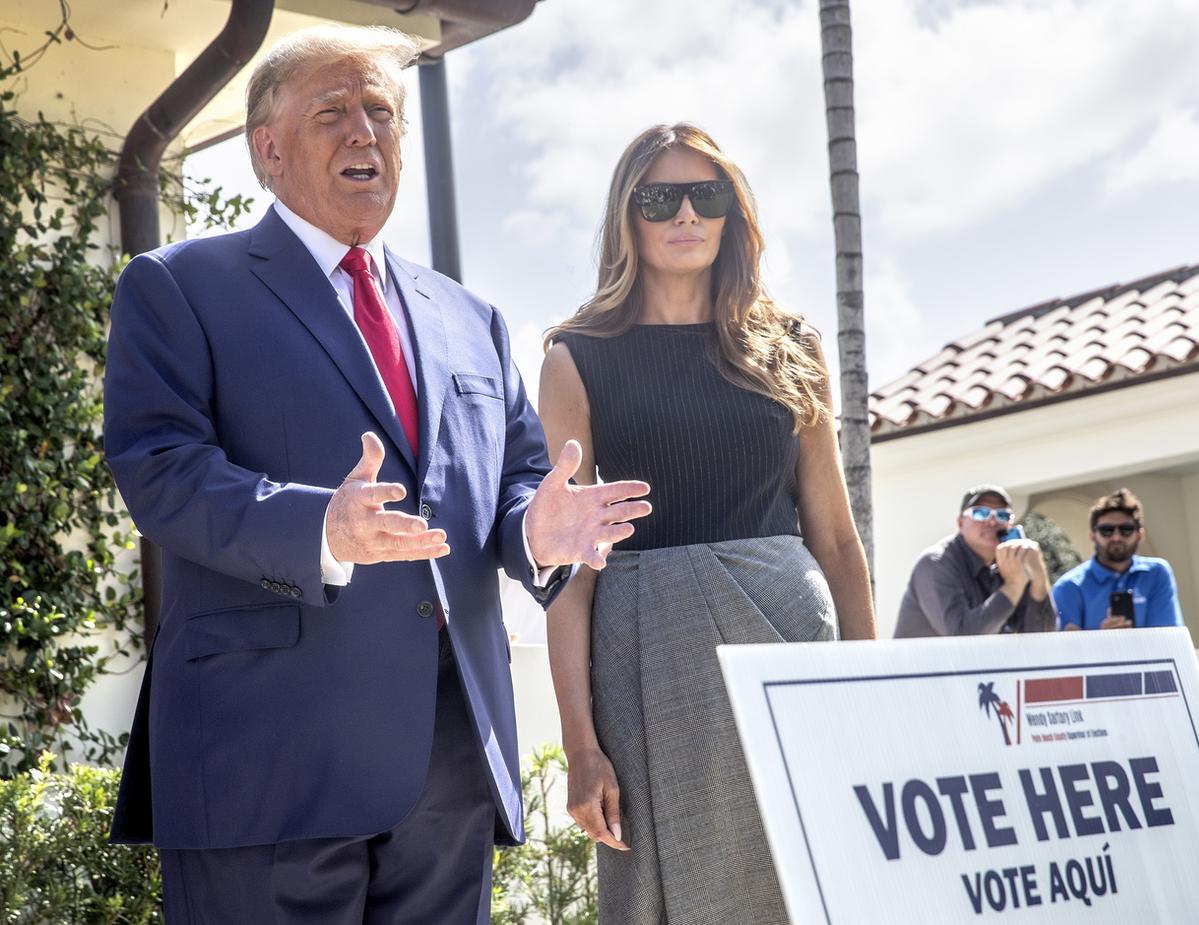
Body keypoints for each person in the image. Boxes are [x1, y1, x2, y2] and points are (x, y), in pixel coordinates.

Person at [103, 25, 650, 923]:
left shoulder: (470, 317)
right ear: (267, 151)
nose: (366, 132)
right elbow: (158, 468)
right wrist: (319, 525)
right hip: (267, 763)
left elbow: (513, 476)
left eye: (382, 113)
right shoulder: (178, 286)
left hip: (448, 764)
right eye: (333, 112)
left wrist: (534, 531)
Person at [537, 122, 876, 925]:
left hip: (792, 653)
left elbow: (834, 536)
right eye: (661, 197)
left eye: (707, 193)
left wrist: (870, 687)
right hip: (649, 661)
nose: (685, 213)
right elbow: (567, 569)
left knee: (810, 881)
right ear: (630, 215)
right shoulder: (574, 358)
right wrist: (581, 745)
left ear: (734, 212)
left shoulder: (791, 348)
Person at [895, 485, 1057, 637]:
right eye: (980, 513)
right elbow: (961, 636)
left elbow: (1041, 636)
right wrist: (1013, 585)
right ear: (960, 522)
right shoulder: (936, 563)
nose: (992, 522)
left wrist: (1039, 579)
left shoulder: (1011, 564)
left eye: (1002, 515)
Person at [1053, 488, 1184, 631]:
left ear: (1140, 535)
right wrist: (1103, 639)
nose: (1116, 537)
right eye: (1107, 530)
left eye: (1126, 529)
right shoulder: (1069, 587)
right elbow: (1065, 651)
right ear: (1093, 536)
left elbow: (1167, 639)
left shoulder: (1156, 573)